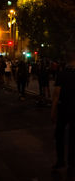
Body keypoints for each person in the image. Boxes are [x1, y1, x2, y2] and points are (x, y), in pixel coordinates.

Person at [51, 36, 75, 175]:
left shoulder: (62, 74)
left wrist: (53, 111)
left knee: (59, 135)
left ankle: (61, 161)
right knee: (73, 137)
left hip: (63, 109)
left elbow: (56, 95)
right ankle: (72, 164)